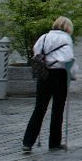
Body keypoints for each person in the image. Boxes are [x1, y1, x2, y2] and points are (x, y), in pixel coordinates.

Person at [22, 16, 77, 153]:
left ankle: (28, 142)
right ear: (67, 27)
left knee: (39, 108)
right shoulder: (66, 39)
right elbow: (69, 58)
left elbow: (36, 52)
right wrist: (73, 75)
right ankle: (54, 142)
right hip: (59, 74)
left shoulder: (44, 37)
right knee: (57, 109)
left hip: (44, 73)